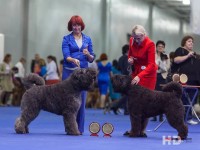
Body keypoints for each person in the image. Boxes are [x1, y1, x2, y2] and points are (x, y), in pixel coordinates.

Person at [61, 15, 95, 134]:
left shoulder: (88, 39)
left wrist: (88, 55)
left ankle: (79, 129)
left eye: (78, 25)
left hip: (83, 75)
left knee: (81, 101)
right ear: (71, 26)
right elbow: (66, 55)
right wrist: (73, 60)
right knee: (69, 103)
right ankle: (70, 128)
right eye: (74, 25)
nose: (76, 27)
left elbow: (91, 58)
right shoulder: (66, 39)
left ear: (82, 26)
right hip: (69, 73)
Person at [124, 25, 157, 136]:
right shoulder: (132, 40)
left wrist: (140, 76)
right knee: (134, 103)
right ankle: (134, 129)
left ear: (144, 34)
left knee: (145, 103)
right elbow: (130, 55)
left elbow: (152, 65)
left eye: (139, 38)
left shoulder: (150, 44)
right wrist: (130, 60)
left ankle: (142, 130)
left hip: (148, 75)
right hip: (136, 73)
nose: (137, 40)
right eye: (135, 38)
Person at [173, 35, 200, 125]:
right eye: (189, 41)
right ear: (184, 42)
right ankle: (179, 118)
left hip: (194, 81)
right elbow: (176, 60)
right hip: (182, 79)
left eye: (192, 41)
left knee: (192, 100)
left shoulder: (194, 54)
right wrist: (187, 56)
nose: (191, 43)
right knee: (182, 99)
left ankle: (188, 118)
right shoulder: (180, 50)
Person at [151, 40, 170, 122]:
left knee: (161, 96)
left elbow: (167, 67)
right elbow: (151, 65)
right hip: (153, 76)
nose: (160, 48)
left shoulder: (166, 56)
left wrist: (160, 67)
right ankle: (153, 115)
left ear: (164, 48)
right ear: (156, 47)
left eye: (162, 46)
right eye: (159, 46)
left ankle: (161, 115)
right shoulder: (153, 55)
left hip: (162, 77)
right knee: (153, 96)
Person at [110, 44, 130, 115]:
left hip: (121, 78)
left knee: (125, 95)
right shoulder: (128, 58)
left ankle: (116, 106)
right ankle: (115, 106)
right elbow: (128, 69)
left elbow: (118, 68)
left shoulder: (121, 58)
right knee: (127, 95)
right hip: (127, 78)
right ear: (128, 50)